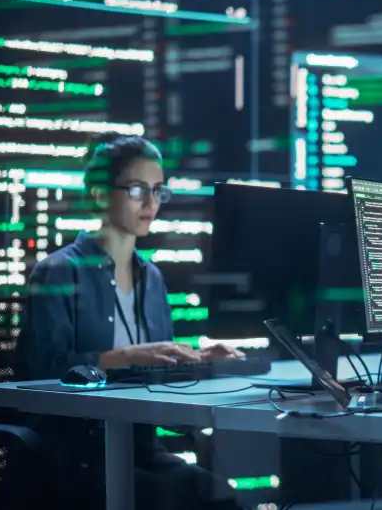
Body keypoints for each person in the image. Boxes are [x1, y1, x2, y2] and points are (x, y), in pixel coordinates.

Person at [17, 133, 246, 510]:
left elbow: (159, 372)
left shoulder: (152, 277)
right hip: (76, 455)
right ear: (100, 194)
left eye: (158, 190)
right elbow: (44, 370)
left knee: (225, 496)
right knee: (172, 501)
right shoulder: (58, 271)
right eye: (138, 189)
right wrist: (121, 356)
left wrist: (199, 357)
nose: (151, 203)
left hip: (139, 448)